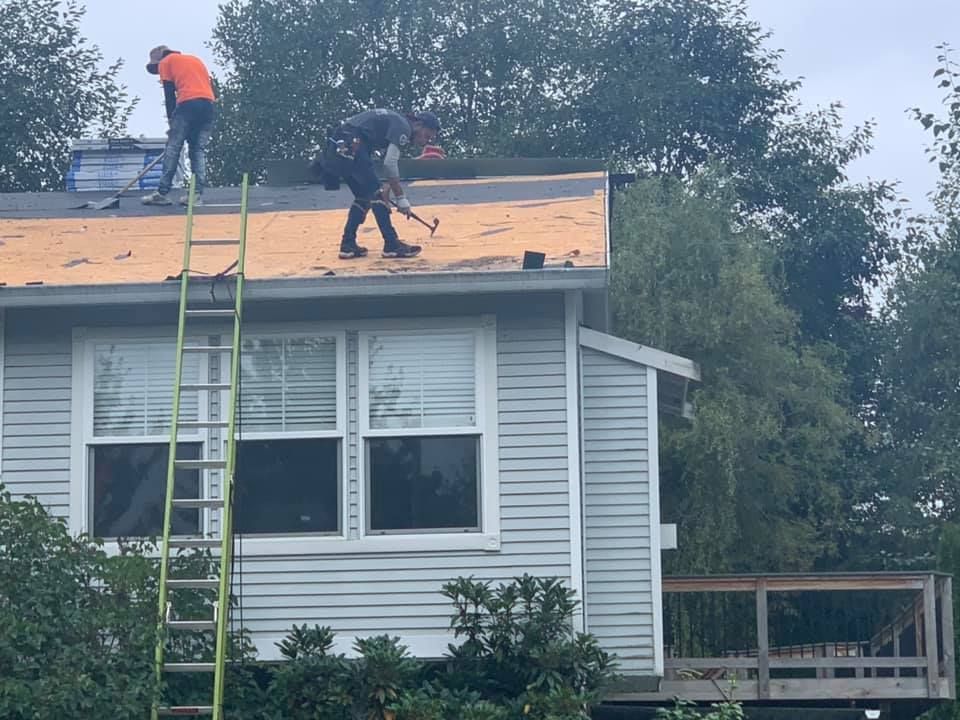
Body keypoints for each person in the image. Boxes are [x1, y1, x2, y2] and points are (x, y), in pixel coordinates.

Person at [315, 109, 440, 259]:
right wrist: (400, 197)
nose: (424, 142)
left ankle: (348, 245)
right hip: (354, 146)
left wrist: (386, 187)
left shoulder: (395, 121)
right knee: (377, 196)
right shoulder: (404, 128)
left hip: (341, 148)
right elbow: (390, 164)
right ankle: (391, 245)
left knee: (364, 197)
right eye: (426, 136)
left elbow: (384, 165)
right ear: (418, 124)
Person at [141, 46, 216, 206]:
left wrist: (172, 122)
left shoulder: (166, 62)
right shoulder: (194, 60)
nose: (158, 72)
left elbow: (169, 96)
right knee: (197, 150)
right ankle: (195, 195)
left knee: (173, 148)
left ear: (158, 60)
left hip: (187, 105)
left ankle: (162, 193)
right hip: (208, 107)